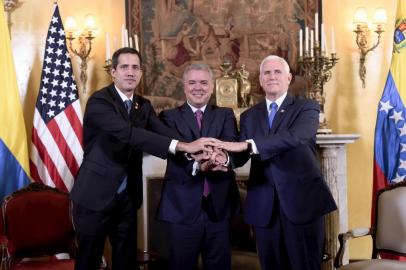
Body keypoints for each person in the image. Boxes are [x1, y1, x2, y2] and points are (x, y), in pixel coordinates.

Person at [70, 48, 218, 270]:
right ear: (114, 72)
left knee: (126, 261)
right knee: (88, 261)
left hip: (127, 198)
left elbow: (162, 132)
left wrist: (197, 152)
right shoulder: (99, 102)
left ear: (141, 73)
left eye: (135, 68)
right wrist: (185, 145)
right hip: (94, 195)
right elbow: (129, 135)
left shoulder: (143, 105)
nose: (130, 72)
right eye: (124, 67)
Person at [218, 55, 337, 270]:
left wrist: (249, 145)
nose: (272, 76)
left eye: (277, 72)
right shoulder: (248, 117)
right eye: (267, 73)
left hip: (302, 203)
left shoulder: (307, 108)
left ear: (289, 78)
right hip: (264, 206)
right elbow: (242, 154)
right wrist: (223, 158)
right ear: (261, 81)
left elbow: (296, 136)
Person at [156, 63, 240, 270]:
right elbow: (174, 151)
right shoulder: (168, 117)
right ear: (184, 87)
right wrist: (198, 165)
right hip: (181, 207)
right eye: (192, 83)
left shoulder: (225, 115)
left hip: (219, 207)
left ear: (212, 87)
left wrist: (222, 158)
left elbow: (232, 145)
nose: (198, 87)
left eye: (203, 82)